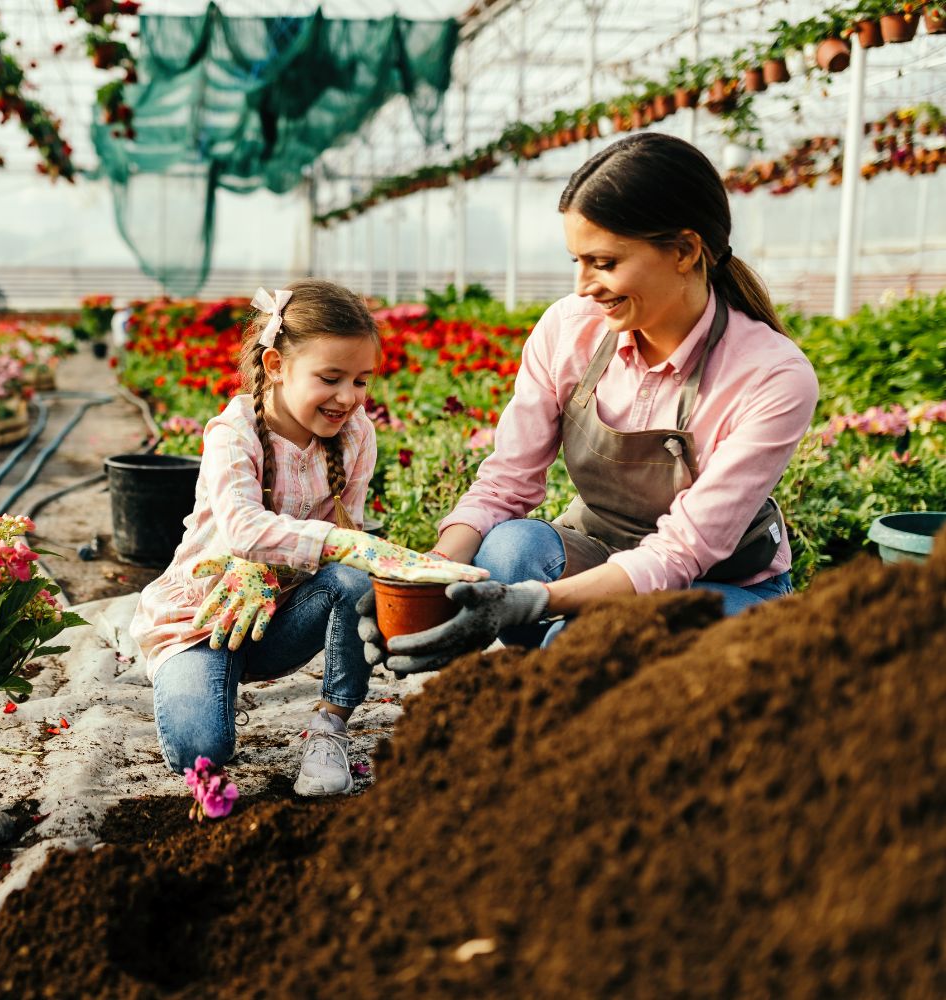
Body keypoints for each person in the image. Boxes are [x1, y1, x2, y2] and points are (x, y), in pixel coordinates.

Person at [359, 132, 820, 675]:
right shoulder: (570, 329)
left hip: (718, 585)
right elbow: (507, 483)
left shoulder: (771, 374)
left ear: (685, 251)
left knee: (588, 640)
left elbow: (681, 551)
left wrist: (535, 603)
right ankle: (565, 676)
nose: (583, 287)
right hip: (599, 549)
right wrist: (429, 576)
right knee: (508, 552)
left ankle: (577, 682)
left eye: (603, 263)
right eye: (577, 260)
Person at [129, 279, 483, 794]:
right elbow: (245, 530)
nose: (349, 398)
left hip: (281, 619)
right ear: (275, 366)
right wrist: (344, 545)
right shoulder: (235, 434)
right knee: (201, 751)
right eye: (331, 377)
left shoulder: (356, 434)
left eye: (361, 380)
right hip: (200, 619)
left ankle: (329, 727)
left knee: (354, 578)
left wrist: (358, 560)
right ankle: (194, 679)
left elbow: (346, 546)